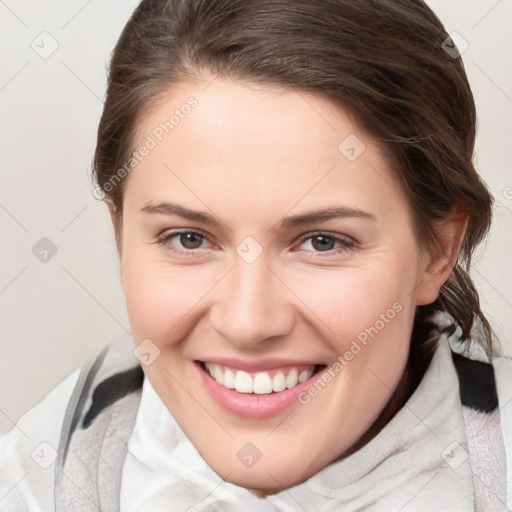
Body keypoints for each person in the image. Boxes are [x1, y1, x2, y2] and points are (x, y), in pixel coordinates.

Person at [1, 0, 511, 510]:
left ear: (438, 251)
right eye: (189, 238)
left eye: (322, 242)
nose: (248, 323)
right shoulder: (39, 475)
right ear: (120, 235)